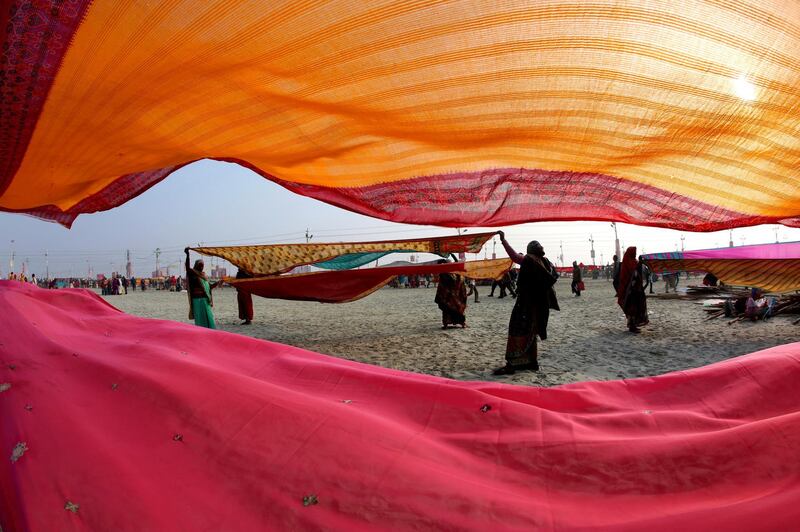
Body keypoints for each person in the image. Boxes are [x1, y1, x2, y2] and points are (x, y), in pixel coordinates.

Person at [493, 232, 559, 375]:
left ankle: (513, 363)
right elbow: (554, 277)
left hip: (526, 303)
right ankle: (530, 361)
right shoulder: (546, 262)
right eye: (539, 245)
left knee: (517, 329)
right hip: (540, 305)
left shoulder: (530, 260)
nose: (542, 246)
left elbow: (515, 256)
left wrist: (503, 240)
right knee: (531, 331)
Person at [184, 248, 223, 329]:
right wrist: (187, 255)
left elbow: (209, 287)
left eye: (203, 265)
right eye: (200, 265)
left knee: (209, 317)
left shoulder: (204, 276)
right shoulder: (193, 273)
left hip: (205, 300)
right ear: (196, 266)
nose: (201, 267)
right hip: (197, 300)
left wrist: (218, 282)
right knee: (200, 320)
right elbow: (187, 267)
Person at [617, 247, 649, 333]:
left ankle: (633, 325)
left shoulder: (632, 261)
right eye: (634, 252)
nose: (635, 254)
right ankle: (632, 326)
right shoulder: (628, 262)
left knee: (635, 307)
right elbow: (632, 274)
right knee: (632, 308)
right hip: (631, 290)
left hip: (635, 289)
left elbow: (638, 271)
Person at [434, 261, 467, 329]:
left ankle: (447, 324)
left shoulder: (446, 274)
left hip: (449, 297)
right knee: (456, 309)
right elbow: (462, 287)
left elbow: (443, 286)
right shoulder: (459, 275)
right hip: (455, 296)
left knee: (449, 309)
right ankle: (461, 323)